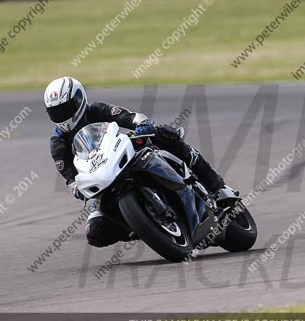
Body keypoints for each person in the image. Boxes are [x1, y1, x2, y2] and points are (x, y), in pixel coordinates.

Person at [44, 76, 224, 248]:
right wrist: (77, 188)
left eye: (65, 109)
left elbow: (130, 117)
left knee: (165, 135)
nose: (62, 116)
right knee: (95, 232)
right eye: (56, 112)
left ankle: (214, 184)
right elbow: (70, 179)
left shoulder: (96, 110)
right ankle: (143, 226)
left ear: (78, 100)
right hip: (101, 179)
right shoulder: (58, 143)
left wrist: (142, 125)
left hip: (122, 154)